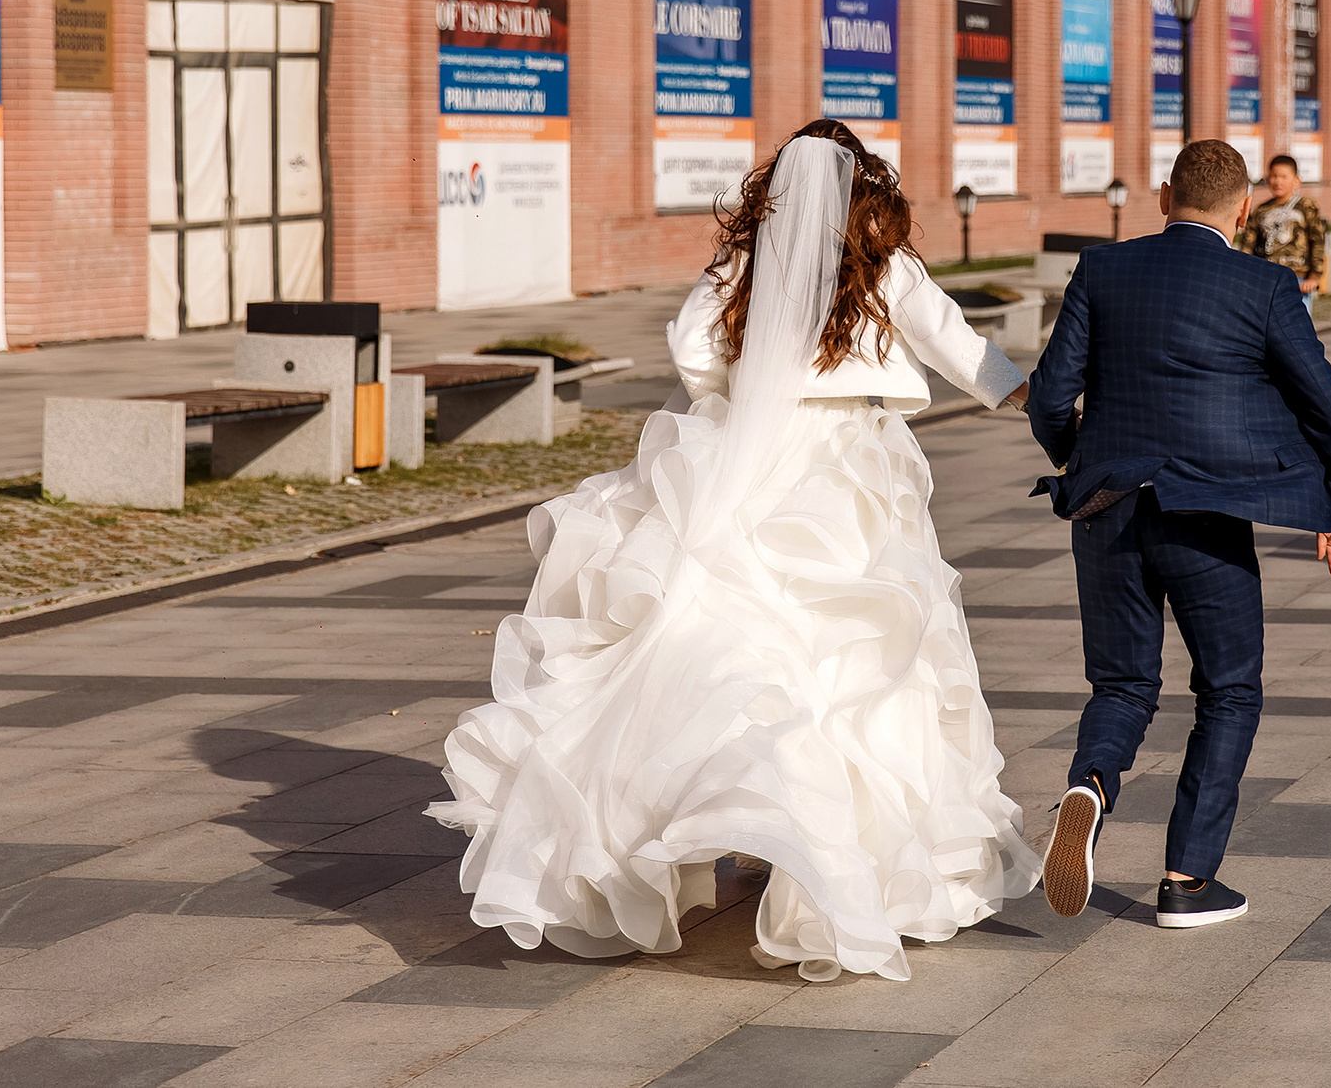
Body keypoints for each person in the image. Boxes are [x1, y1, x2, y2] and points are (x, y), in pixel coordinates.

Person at [429, 121, 1039, 982]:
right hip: (852, 468)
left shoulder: (743, 266)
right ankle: (839, 859)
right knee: (857, 660)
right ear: (860, 185)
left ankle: (736, 823)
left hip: (748, 456)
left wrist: (742, 394)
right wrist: (1035, 401)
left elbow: (688, 347)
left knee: (728, 644)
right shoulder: (883, 266)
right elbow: (961, 348)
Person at [1027, 140, 1331, 931]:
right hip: (1206, 518)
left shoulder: (1102, 269)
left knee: (1121, 686)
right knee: (1229, 687)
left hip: (1106, 504)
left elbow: (1049, 396)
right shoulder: (1266, 285)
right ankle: (1186, 879)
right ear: (1244, 208)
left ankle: (1090, 788)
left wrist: (1078, 461)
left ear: (1163, 195)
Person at [1236, 154, 1329, 311]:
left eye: (1284, 177)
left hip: (1297, 280)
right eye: (1274, 176)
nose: (1278, 181)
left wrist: (1315, 275)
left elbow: (1317, 240)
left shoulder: (1306, 206)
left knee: (1296, 329)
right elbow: (1248, 246)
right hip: (1267, 281)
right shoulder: (1260, 211)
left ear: (1296, 180)